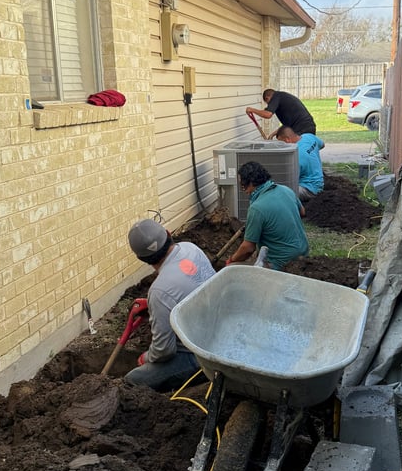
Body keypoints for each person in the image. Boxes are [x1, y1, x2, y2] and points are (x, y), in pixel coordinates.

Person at [124, 219, 215, 391]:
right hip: (220, 326)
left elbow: (164, 351)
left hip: (203, 355)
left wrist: (146, 357)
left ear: (141, 258)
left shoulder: (160, 291)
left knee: (132, 379)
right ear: (168, 233)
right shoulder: (191, 248)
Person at [226, 161, 309, 271]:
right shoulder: (286, 190)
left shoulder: (257, 208)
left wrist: (232, 259)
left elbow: (248, 249)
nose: (245, 191)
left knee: (232, 268)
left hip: (281, 262)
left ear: (250, 183)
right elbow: (302, 212)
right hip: (304, 252)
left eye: (243, 187)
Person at [274, 126, 325, 201]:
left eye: (282, 143)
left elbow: (289, 180)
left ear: (287, 140)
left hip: (309, 189)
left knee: (279, 195)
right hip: (319, 181)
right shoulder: (309, 136)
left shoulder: (296, 156)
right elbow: (322, 145)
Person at [245, 88, 316, 137]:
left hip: (302, 128)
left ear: (267, 98)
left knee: (297, 151)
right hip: (308, 126)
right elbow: (287, 125)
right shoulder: (283, 98)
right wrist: (273, 134)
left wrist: (252, 110)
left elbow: (268, 114)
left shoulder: (276, 96)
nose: (269, 106)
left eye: (268, 103)